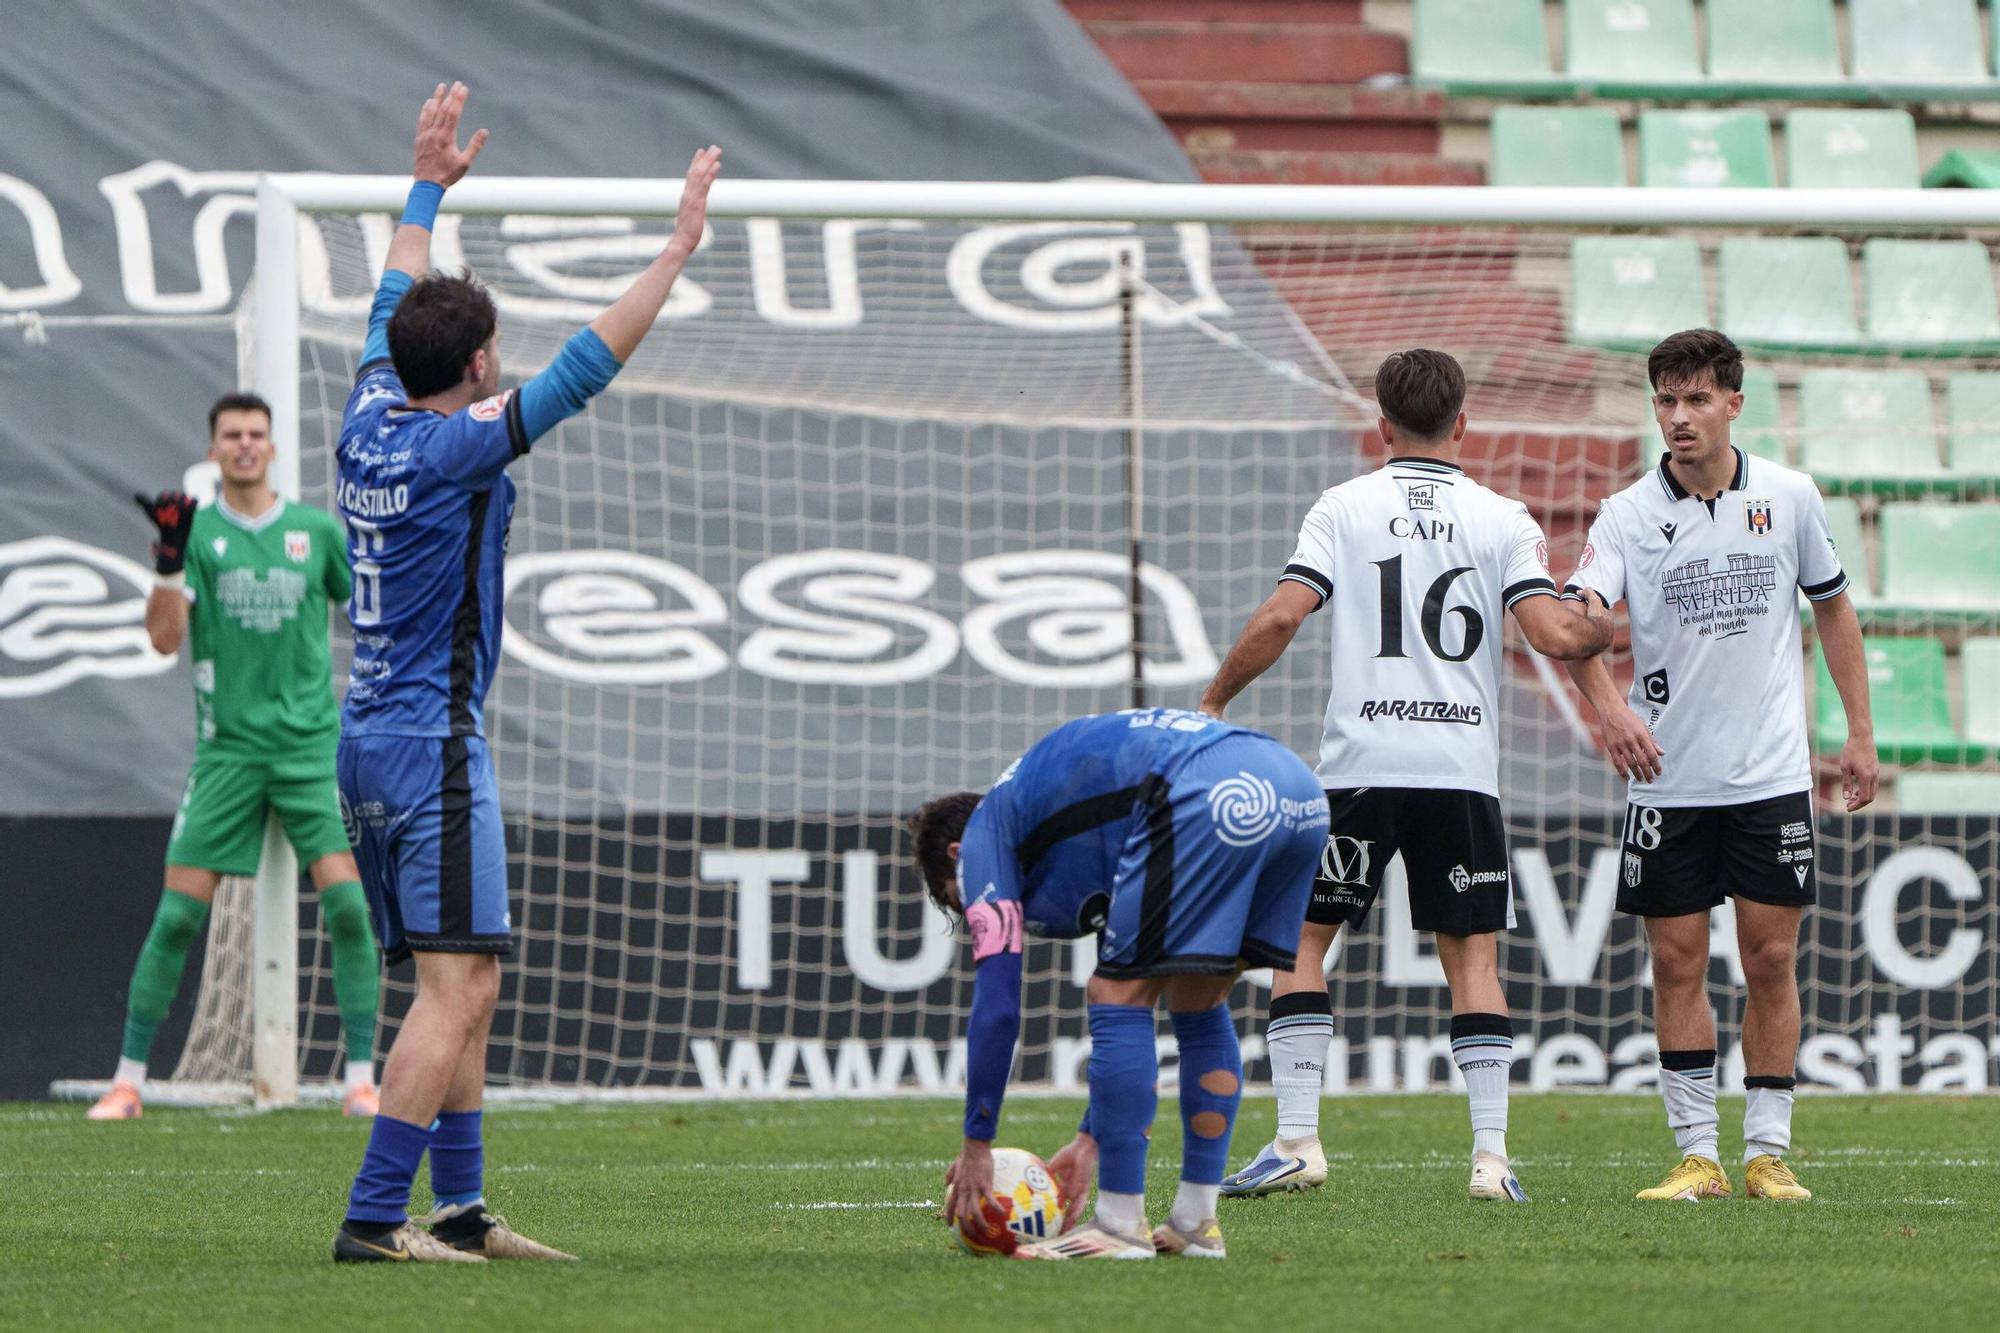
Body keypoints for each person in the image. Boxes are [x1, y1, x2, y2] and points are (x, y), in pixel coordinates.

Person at [329, 83, 721, 1264]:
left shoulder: (366, 410)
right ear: (479, 361)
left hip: (370, 742)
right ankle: (374, 1218)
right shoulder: (454, 448)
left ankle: (458, 1207)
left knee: (467, 978)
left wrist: (425, 187)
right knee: (454, 989)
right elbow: (584, 370)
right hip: (433, 748)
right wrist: (675, 249)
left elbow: (392, 287)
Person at [1196, 349, 1611, 1203]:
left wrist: (1214, 700)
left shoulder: (1343, 506)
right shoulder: (1503, 516)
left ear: (1381, 424)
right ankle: (1492, 1159)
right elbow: (1554, 636)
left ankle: (1298, 1139)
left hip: (1361, 767)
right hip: (1460, 772)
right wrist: (1599, 623)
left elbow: (1281, 616)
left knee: (1302, 941)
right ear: (1463, 424)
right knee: (1474, 960)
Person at [1563, 328, 1876, 1203]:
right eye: (1666, 400)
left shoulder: (1790, 495)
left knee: (1770, 958)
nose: (1679, 416)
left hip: (1770, 776)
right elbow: (1576, 623)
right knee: (1677, 962)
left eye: (1697, 398)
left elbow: (1834, 610)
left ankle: (1767, 1152)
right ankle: (1698, 1155)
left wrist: (1859, 732)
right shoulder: (1626, 513)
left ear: (1734, 403)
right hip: (1668, 778)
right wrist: (1611, 707)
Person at [913, 707, 1329, 1260]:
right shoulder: (1067, 827)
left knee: (1113, 992)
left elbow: (999, 1006)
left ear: (957, 857)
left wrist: (976, 1143)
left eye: (958, 900)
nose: (974, 912)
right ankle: (1194, 1224)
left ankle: (1118, 1224)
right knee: (1199, 999)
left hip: (1206, 791)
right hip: (1298, 793)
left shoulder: (984, 838)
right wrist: (1090, 1139)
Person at [91, 393, 379, 1121]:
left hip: (310, 749)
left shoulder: (315, 532)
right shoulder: (196, 533)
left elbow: (371, 616)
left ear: (273, 448)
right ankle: (128, 1081)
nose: (245, 444)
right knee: (177, 918)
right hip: (228, 753)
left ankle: (362, 1080)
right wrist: (166, 561)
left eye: (256, 434)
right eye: (232, 435)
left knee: (350, 906)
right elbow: (163, 639)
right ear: (213, 449)